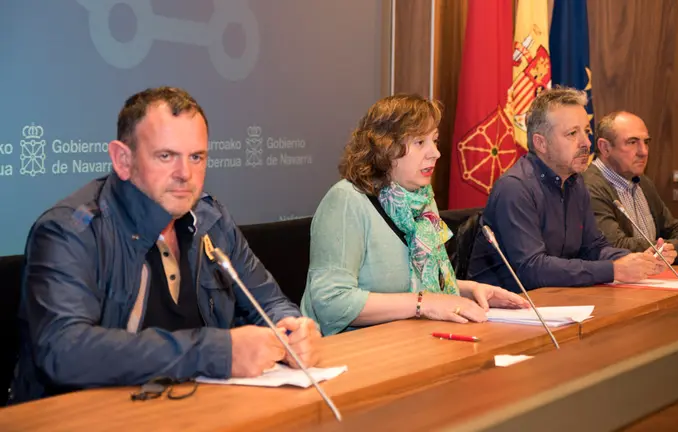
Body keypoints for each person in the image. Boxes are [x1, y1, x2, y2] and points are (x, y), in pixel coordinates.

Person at [11, 87, 319, 403]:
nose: (185, 174)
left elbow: (269, 302)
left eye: (196, 157)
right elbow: (64, 350)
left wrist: (292, 331)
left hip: (195, 410)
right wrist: (216, 352)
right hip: (87, 416)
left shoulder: (211, 219)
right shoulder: (69, 231)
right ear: (123, 160)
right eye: (166, 156)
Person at [300, 94, 529, 336]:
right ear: (385, 147)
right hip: (349, 347)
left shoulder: (421, 199)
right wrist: (424, 303)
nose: (435, 153)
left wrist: (470, 291)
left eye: (435, 141)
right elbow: (332, 303)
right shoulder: (347, 200)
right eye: (420, 142)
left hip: (408, 339)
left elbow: (412, 285)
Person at [467, 87, 676, 292]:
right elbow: (532, 269)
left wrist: (638, 260)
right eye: (572, 133)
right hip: (504, 306)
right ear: (541, 143)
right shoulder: (515, 188)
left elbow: (593, 248)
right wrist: (614, 270)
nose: (586, 143)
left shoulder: (575, 183)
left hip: (556, 299)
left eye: (587, 132)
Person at [583, 111, 678, 264]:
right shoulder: (589, 187)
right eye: (632, 142)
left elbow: (670, 228)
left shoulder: (642, 181)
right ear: (605, 148)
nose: (643, 152)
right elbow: (616, 246)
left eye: (646, 142)